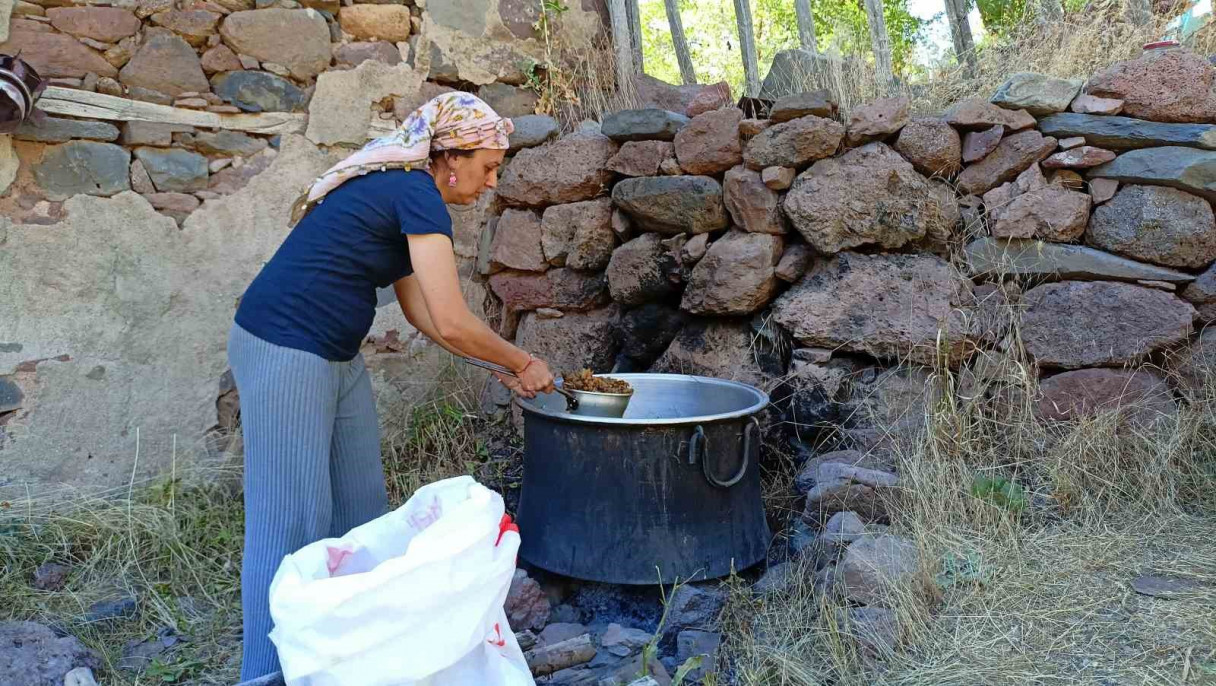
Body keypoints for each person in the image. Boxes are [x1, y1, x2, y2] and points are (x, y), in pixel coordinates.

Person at [227, 92, 555, 680]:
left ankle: (353, 661)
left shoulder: (406, 191)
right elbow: (452, 319)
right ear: (451, 158)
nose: (490, 183)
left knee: (360, 513)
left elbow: (425, 317)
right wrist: (524, 359)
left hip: (333, 351)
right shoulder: (413, 191)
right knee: (290, 521)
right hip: (283, 345)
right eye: (487, 167)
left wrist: (498, 365)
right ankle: (266, 673)